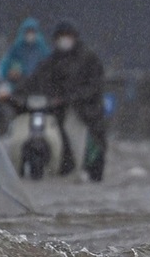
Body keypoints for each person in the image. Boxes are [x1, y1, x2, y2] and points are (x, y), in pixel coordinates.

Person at [14, 20, 108, 181]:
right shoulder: (52, 61)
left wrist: (73, 98)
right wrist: (15, 93)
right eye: (60, 37)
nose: (64, 40)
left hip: (83, 112)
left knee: (76, 136)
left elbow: (94, 85)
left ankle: (78, 166)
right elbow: (35, 80)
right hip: (55, 110)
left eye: (67, 36)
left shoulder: (88, 59)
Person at [0, 18, 51, 94]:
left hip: (39, 86)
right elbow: (6, 64)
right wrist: (8, 74)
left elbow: (50, 63)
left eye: (32, 31)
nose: (30, 34)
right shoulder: (16, 48)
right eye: (28, 31)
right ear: (23, 32)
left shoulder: (42, 48)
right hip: (19, 85)